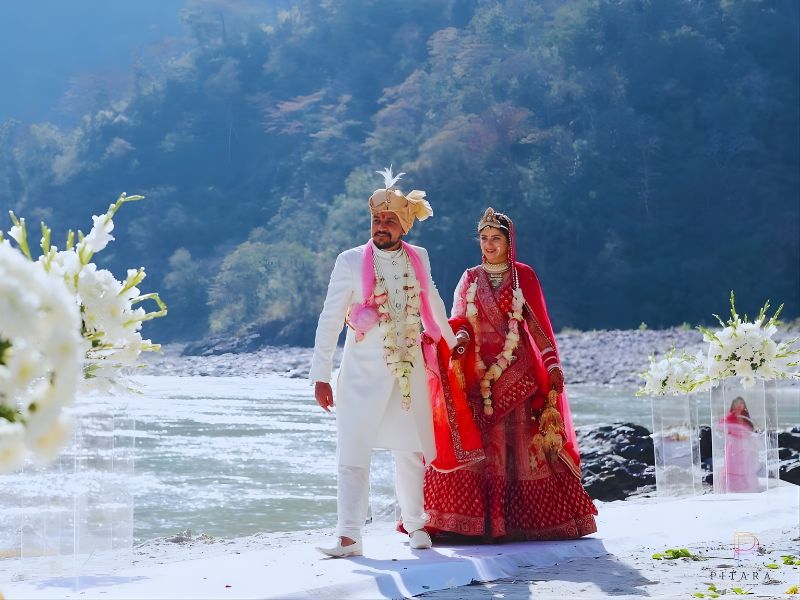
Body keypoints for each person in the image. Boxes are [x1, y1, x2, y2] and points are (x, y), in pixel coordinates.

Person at [424, 208, 598, 541]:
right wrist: (458, 340)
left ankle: (521, 522)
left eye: (496, 239)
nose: (489, 245)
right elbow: (459, 319)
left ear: (508, 242)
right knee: (480, 446)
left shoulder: (523, 277)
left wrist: (552, 364)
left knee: (519, 448)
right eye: (485, 239)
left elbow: (538, 327)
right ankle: (468, 522)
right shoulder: (469, 278)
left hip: (517, 376)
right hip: (478, 377)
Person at [310, 168, 457, 557]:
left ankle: (415, 525)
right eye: (377, 219)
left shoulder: (418, 257)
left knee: (410, 450)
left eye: (390, 220)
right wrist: (320, 376)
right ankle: (348, 535)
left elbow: (434, 305)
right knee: (352, 451)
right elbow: (329, 319)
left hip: (406, 372)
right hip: (359, 376)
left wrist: (452, 343)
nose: (382, 226)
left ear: (404, 226)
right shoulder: (350, 260)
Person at [717, 397, 761, 493]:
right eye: (738, 404)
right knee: (733, 466)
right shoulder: (730, 416)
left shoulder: (745, 416)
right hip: (734, 446)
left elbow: (749, 430)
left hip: (745, 446)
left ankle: (746, 486)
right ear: (734, 405)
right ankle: (733, 487)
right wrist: (733, 431)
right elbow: (720, 426)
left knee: (745, 466)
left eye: (741, 404)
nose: (739, 407)